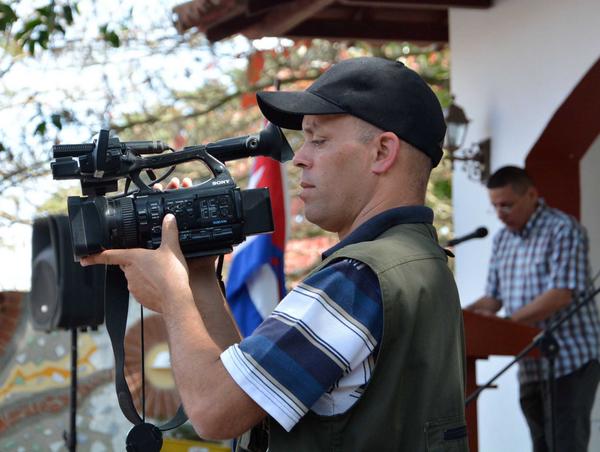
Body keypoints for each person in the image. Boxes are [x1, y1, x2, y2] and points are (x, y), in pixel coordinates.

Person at [82, 57, 467, 451]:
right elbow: (251, 396)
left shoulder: (356, 277)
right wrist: (197, 276)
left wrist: (172, 296)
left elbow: (215, 410)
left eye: (318, 139)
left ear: (383, 151)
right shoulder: (417, 262)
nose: (299, 157)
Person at [467, 166, 600, 452]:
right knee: (540, 445)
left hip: (570, 358)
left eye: (507, 205)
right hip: (530, 362)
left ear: (532, 195)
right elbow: (493, 298)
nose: (500, 213)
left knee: (566, 445)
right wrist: (460, 315)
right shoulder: (502, 239)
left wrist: (509, 324)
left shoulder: (563, 229)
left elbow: (561, 295)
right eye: (495, 207)